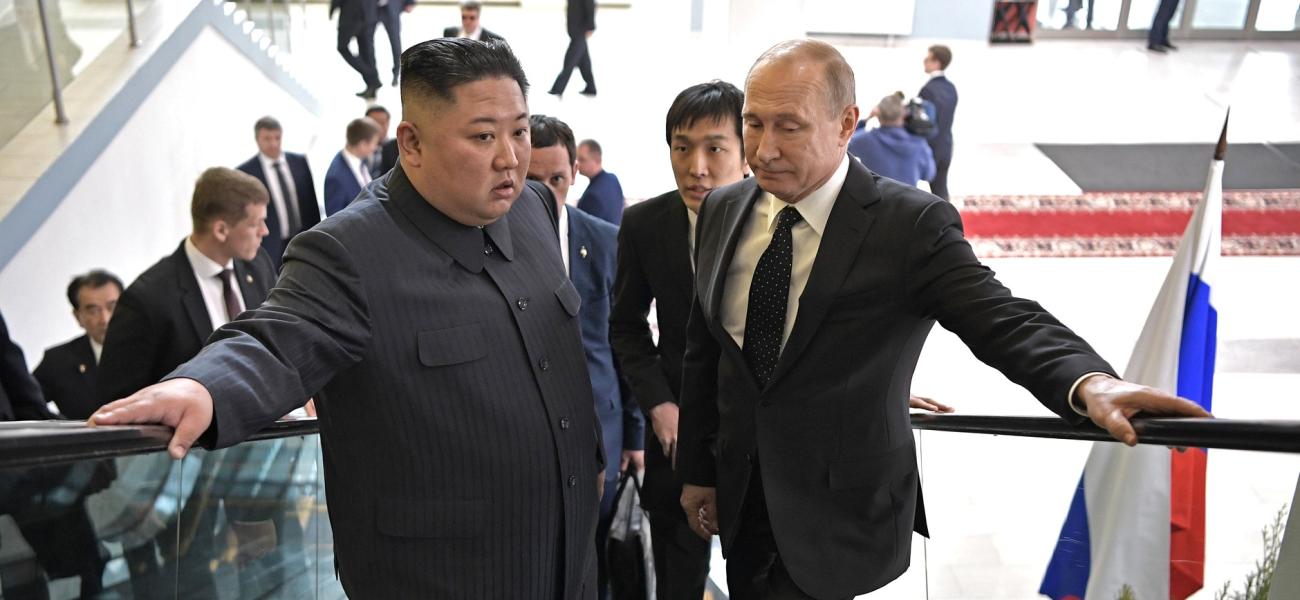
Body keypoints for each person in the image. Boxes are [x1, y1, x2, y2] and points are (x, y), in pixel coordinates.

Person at [674, 39, 1212, 600]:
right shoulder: (724, 207)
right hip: (741, 499)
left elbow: (1001, 317)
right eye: (753, 123)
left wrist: (1090, 380)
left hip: (839, 516)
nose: (762, 150)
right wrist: (696, 469)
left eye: (789, 127)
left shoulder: (909, 225)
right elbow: (704, 353)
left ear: (846, 124)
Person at [90, 38, 603, 598]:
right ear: (411, 144)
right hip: (447, 575)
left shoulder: (532, 206)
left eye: (520, 131)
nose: (510, 156)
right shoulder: (350, 251)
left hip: (568, 555)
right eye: (483, 136)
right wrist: (204, 386)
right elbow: (275, 338)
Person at [609, 80, 747, 600]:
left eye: (715, 148)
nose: (697, 167)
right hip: (676, 443)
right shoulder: (646, 223)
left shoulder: (780, 225)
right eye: (682, 147)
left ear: (745, 150)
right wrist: (660, 403)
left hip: (754, 446)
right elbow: (624, 325)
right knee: (678, 583)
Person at [528, 113, 644, 600]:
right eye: (534, 181)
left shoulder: (604, 240)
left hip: (602, 428)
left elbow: (627, 341)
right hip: (528, 437)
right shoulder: (489, 241)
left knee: (594, 559)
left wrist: (635, 434)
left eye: (556, 179)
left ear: (575, 172)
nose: (545, 193)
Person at [96, 167, 276, 407]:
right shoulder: (147, 300)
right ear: (221, 230)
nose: (265, 231)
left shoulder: (258, 264)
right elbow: (121, 400)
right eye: (256, 224)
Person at [32, 270, 123, 419]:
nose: (105, 319)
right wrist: (62, 427)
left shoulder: (153, 351)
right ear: (78, 317)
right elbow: (24, 403)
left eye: (112, 307)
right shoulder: (57, 361)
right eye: (93, 311)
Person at [237, 116, 321, 268]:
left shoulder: (299, 162)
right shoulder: (246, 173)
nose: (273, 143)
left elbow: (311, 203)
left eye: (277, 138)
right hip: (270, 245)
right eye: (267, 139)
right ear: (257, 140)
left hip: (303, 238)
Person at [848, 94, 936, 187]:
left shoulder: (865, 140)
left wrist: (866, 120)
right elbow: (929, 175)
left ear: (877, 114)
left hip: (875, 199)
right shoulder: (919, 144)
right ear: (904, 114)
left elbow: (845, 141)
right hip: (906, 200)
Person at [918, 45, 958, 201]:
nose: (924, 61)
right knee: (941, 190)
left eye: (927, 58)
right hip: (946, 146)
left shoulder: (928, 90)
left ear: (937, 62)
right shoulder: (951, 88)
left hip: (931, 147)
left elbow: (923, 123)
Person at [324, 117, 382, 216]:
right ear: (362, 144)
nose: (375, 148)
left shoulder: (362, 161)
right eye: (374, 143)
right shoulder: (336, 177)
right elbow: (334, 223)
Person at [331, 0, 381, 98]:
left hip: (351, 13)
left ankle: (372, 77)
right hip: (369, 12)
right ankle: (372, 86)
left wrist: (333, 7)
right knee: (367, 51)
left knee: (342, 47)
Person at [548, 0, 597, 96]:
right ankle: (591, 87)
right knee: (584, 62)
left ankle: (557, 88)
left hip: (581, 30)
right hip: (574, 29)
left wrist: (591, 26)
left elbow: (590, 5)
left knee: (570, 59)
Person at [575, 139, 624, 225]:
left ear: (597, 160)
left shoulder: (591, 196)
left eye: (582, 159)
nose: (577, 164)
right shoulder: (613, 179)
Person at [374, 0, 415, 87]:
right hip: (370, 8)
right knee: (366, 42)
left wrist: (410, 2)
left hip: (392, 7)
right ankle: (372, 80)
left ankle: (396, 73)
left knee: (395, 43)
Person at [365, 105, 392, 177]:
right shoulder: (357, 151)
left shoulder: (397, 150)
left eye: (382, 123)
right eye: (374, 123)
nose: (378, 127)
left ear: (388, 123)